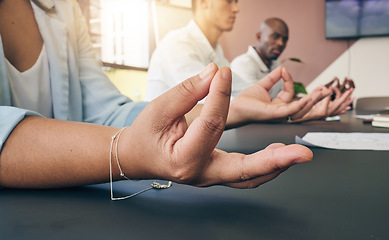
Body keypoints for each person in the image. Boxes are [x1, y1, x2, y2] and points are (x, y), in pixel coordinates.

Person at [0, 0, 313, 190]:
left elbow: (107, 113)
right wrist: (126, 153)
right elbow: (128, 139)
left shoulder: (65, 9)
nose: (236, 8)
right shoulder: (179, 44)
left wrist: (237, 108)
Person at [145, 0, 354, 123]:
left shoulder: (216, 54)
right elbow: (210, 106)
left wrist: (306, 106)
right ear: (203, 2)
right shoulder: (177, 45)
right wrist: (295, 109)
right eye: (229, 1)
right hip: (159, 158)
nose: (236, 9)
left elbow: (248, 94)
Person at [231, 17, 288, 98]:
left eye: (285, 39)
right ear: (259, 36)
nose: (281, 43)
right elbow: (253, 102)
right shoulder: (242, 64)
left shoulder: (278, 64)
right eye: (275, 36)